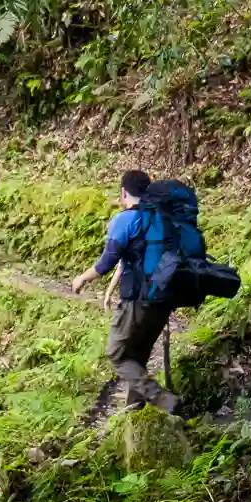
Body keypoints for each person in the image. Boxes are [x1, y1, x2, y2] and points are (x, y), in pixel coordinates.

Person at [71, 169, 185, 414]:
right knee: (138, 354)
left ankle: (164, 400)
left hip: (137, 301)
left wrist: (82, 278)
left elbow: (107, 263)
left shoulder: (125, 220)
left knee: (117, 353)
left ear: (123, 192)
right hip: (163, 300)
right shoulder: (163, 218)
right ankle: (134, 409)